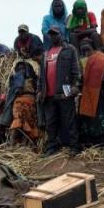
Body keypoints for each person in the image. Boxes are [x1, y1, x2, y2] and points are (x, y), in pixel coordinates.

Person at [38, 25, 81, 156]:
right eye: (51, 34)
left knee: (69, 120)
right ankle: (52, 146)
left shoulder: (69, 49)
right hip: (48, 94)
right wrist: (40, 90)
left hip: (64, 92)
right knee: (50, 122)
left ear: (61, 35)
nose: (53, 36)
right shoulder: (46, 53)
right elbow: (41, 75)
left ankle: (75, 146)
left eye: (55, 34)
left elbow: (76, 71)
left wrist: (75, 87)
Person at [77, 39, 104, 147]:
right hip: (87, 92)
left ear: (92, 46)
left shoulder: (101, 57)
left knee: (102, 116)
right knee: (89, 117)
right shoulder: (81, 60)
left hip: (101, 92)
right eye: (83, 49)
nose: (85, 51)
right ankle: (92, 141)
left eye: (87, 48)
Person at [1, 61, 39, 146]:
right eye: (19, 69)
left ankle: (25, 144)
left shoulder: (33, 79)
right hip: (19, 103)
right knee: (18, 121)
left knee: (28, 122)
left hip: (30, 103)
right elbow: (15, 92)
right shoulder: (15, 79)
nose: (21, 71)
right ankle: (12, 143)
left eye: (23, 68)